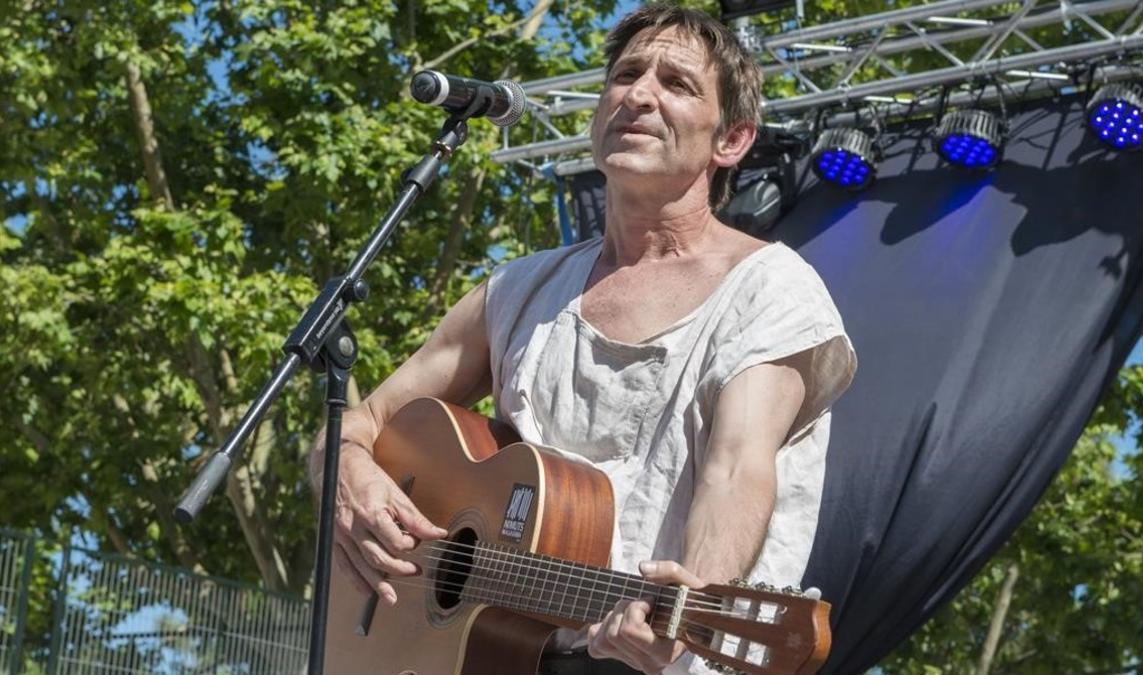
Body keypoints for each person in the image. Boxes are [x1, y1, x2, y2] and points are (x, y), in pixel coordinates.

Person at [311, 4, 856, 674]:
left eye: (677, 84)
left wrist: (687, 601)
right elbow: (361, 422)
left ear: (732, 140)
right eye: (626, 74)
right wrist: (347, 474)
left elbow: (737, 467)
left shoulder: (769, 288)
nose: (639, 94)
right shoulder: (518, 290)